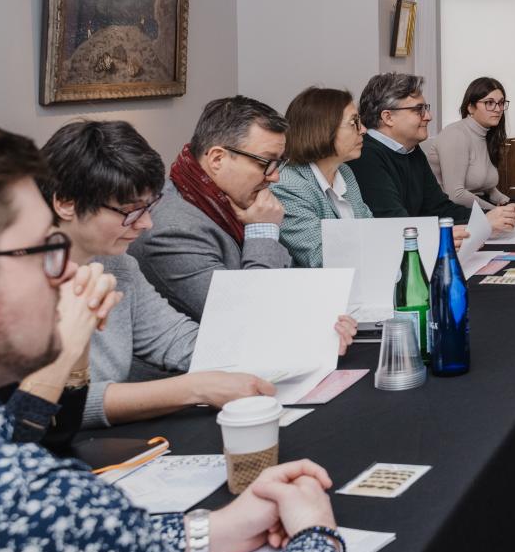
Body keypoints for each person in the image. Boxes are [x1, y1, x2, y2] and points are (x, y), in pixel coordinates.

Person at [0, 122, 345, 552]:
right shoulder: (14, 489)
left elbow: (84, 533)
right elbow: (41, 504)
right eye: (41, 251)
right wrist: (317, 535)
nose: (64, 273)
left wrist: (208, 530)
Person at [39, 120, 355, 429]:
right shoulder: (24, 283)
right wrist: (194, 389)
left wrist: (310, 342)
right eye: (131, 211)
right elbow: (50, 406)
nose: (146, 223)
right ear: (66, 204)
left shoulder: (118, 265)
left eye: (148, 207)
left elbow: (183, 342)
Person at [130, 96, 291, 321]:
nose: (275, 177)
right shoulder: (171, 231)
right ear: (217, 159)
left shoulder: (229, 202)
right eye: (265, 163)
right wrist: (263, 230)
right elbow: (248, 317)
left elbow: (285, 280)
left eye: (278, 163)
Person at [350, 73, 515, 234]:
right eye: (419, 110)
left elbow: (440, 208)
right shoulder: (365, 156)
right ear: (388, 117)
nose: (429, 116)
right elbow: (396, 225)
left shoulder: (411, 150)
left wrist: (490, 217)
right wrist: (482, 222)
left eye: (426, 108)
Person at [273, 88, 373, 268]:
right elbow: (321, 258)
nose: (364, 130)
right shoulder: (286, 186)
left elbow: (373, 232)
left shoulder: (345, 172)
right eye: (354, 122)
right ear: (322, 129)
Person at [425, 77, 515, 212]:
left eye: (501, 103)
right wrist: (495, 211)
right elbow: (456, 195)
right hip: (448, 212)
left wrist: (507, 202)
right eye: (489, 103)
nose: (498, 109)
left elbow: (486, 188)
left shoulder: (486, 134)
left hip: (473, 209)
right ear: (470, 107)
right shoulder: (456, 135)